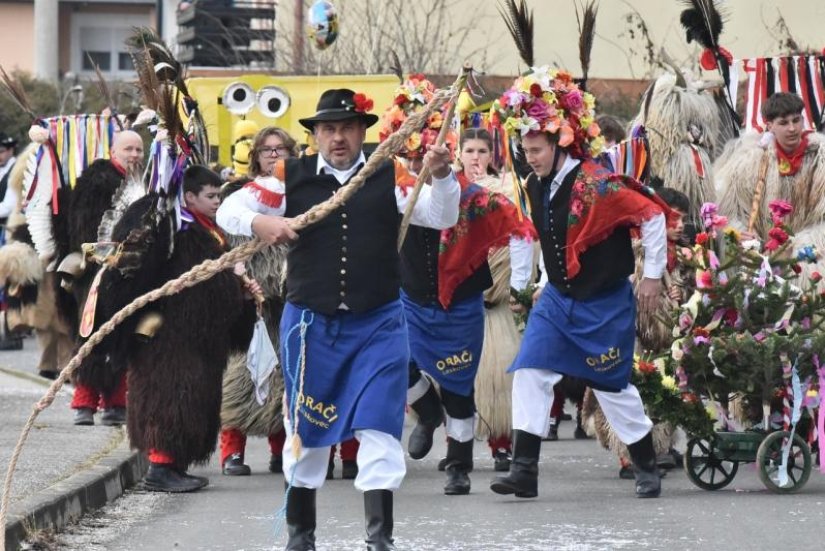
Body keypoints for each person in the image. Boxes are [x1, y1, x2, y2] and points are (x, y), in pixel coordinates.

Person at [217, 88, 460, 550]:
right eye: (328, 129)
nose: (338, 137)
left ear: (361, 131)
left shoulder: (391, 172)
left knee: (380, 427)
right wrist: (260, 224)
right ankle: (301, 537)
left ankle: (379, 540)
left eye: (347, 127)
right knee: (306, 431)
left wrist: (444, 175)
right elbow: (230, 209)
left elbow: (441, 213)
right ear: (316, 135)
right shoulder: (289, 176)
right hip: (312, 325)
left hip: (379, 325)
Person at [488, 67, 671, 500]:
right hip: (557, 300)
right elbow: (553, 238)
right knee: (530, 371)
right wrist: (538, 282)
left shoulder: (597, 183)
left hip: (603, 301)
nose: (529, 156)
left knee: (612, 387)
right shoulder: (534, 183)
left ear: (559, 140)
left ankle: (645, 464)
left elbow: (653, 214)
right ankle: (524, 471)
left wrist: (650, 277)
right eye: (525, 148)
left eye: (536, 148)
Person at [97, 165, 257, 493]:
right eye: (210, 196)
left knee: (191, 397)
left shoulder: (207, 230)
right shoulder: (177, 232)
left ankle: (175, 463)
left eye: (219, 195)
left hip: (198, 339)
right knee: (169, 397)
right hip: (171, 337)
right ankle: (161, 467)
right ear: (189, 197)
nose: (217, 201)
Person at [402, 127, 535, 496]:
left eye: (425, 156)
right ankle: (428, 412)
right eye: (412, 158)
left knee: (459, 389)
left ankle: (458, 466)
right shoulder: (397, 192)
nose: (419, 164)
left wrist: (520, 286)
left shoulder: (476, 198)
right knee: (398, 363)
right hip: (410, 300)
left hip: (461, 305)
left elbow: (521, 231)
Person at [219, 126, 297, 477]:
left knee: (287, 376)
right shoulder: (239, 198)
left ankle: (280, 450)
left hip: (292, 302)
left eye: (280, 149)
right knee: (240, 377)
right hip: (249, 304)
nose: (274, 154)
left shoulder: (303, 194)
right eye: (267, 149)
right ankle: (232, 452)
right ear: (256, 156)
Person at [66, 129, 144, 426]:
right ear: (114, 151)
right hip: (96, 272)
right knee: (91, 333)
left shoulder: (145, 182)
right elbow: (82, 226)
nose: (134, 155)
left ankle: (116, 403)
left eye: (139, 149)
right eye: (129, 149)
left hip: (132, 272)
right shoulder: (95, 182)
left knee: (124, 335)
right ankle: (84, 403)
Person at [717, 92, 825, 284]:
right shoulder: (750, 162)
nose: (792, 128)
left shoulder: (820, 159)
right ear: (770, 126)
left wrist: (795, 246)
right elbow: (729, 213)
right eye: (783, 123)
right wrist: (742, 235)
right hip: (760, 257)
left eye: (796, 120)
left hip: (810, 256)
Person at [0, 132, 23, 350]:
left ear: (10, 149)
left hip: (14, 228)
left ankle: (13, 333)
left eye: (2, 151)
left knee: (10, 280)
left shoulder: (17, 169)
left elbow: (9, 205)